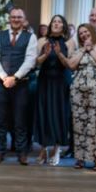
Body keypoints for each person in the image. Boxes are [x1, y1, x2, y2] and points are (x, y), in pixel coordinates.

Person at [56, 23, 96, 171]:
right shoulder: (78, 51)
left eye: (86, 31)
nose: (83, 34)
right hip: (78, 93)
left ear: (92, 32)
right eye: (80, 33)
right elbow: (72, 65)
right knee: (79, 125)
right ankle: (80, 158)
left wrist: (91, 49)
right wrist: (83, 50)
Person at [0, 7, 38, 165]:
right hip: (0, 83)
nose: (16, 19)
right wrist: (5, 77)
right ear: (9, 19)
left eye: (19, 17)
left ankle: (21, 152)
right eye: (13, 17)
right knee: (1, 119)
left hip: (21, 83)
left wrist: (15, 77)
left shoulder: (31, 37)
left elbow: (30, 60)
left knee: (20, 119)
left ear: (23, 20)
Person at [33, 15, 72, 166]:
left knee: (58, 114)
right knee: (44, 112)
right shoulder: (42, 41)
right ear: (51, 25)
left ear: (64, 26)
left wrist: (59, 53)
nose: (56, 24)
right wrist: (46, 55)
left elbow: (70, 64)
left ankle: (56, 149)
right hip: (45, 80)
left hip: (61, 81)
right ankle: (43, 148)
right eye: (54, 21)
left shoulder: (69, 42)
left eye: (59, 22)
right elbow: (36, 62)